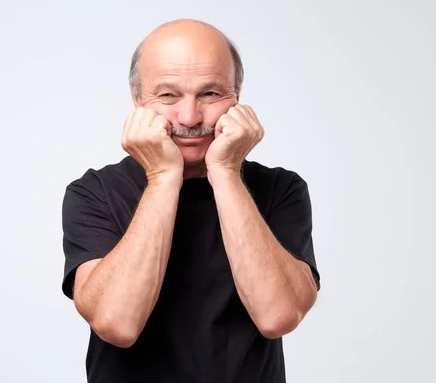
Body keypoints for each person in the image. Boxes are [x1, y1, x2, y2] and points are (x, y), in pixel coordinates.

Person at [61, 19, 321, 382]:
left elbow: (278, 316)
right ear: (138, 100)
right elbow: (117, 323)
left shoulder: (281, 189)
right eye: (167, 95)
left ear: (237, 98)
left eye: (211, 94)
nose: (190, 117)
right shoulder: (93, 192)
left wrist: (226, 171)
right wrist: (163, 177)